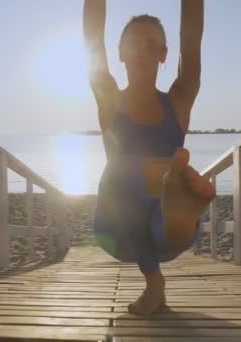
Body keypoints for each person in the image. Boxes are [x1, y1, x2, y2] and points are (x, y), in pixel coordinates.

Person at [83, 0, 216, 315]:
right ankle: (175, 212)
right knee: (126, 172)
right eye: (134, 44)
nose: (142, 50)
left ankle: (179, 213)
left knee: (162, 211)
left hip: (163, 223)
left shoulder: (179, 101)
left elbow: (192, 39)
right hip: (117, 223)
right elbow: (92, 36)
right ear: (120, 54)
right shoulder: (109, 100)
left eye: (152, 44)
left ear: (164, 54)